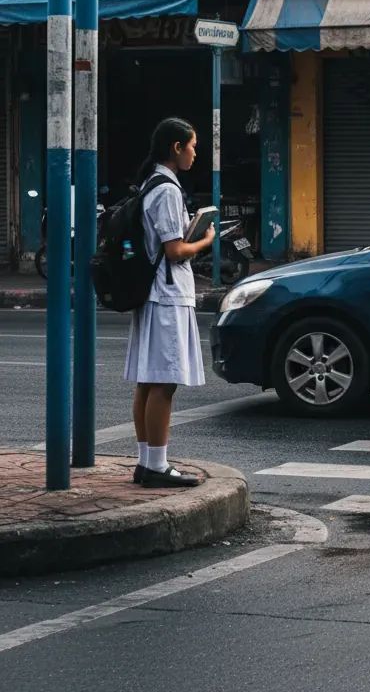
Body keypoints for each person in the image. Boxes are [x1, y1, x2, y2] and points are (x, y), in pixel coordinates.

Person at [125, 118, 215, 488]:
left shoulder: (153, 183)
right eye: (192, 146)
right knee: (163, 382)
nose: (196, 152)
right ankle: (157, 467)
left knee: (149, 381)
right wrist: (205, 240)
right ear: (176, 148)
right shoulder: (166, 190)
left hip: (153, 293)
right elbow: (175, 250)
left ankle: (148, 462)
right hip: (166, 295)